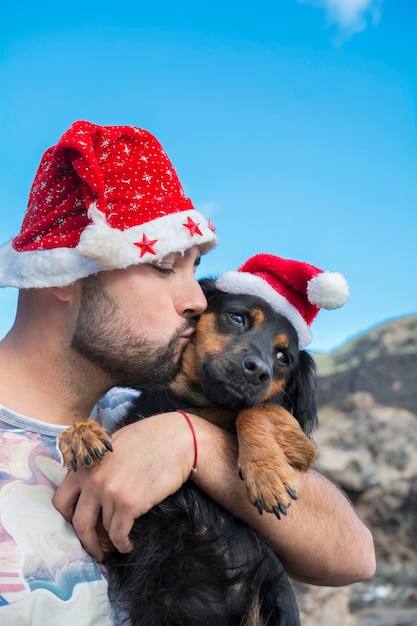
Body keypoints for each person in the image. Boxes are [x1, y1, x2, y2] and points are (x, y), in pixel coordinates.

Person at [0, 120, 375, 625]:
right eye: (163, 266)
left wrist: (191, 441)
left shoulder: (127, 415)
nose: (199, 299)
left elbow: (354, 556)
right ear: (64, 274)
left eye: (194, 266)